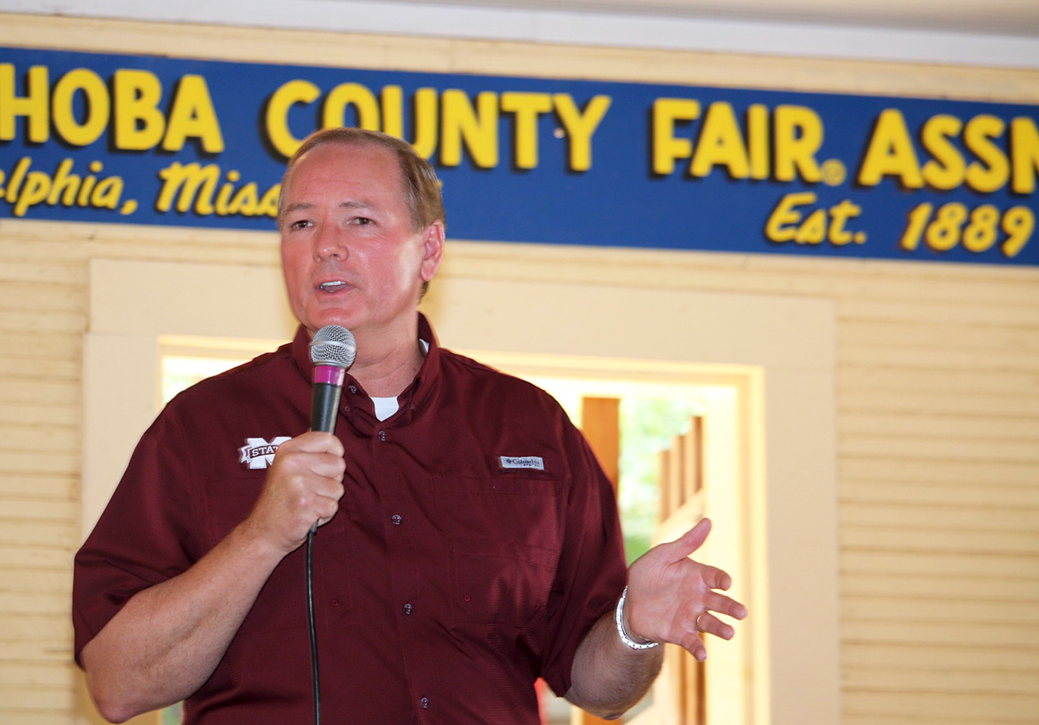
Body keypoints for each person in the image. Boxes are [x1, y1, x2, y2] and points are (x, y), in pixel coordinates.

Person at [73, 127, 746, 723]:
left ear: (429, 251)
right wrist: (261, 535)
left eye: (359, 221)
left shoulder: (530, 430)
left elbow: (600, 687)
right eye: (300, 225)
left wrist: (635, 627)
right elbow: (117, 684)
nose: (326, 248)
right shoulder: (202, 428)